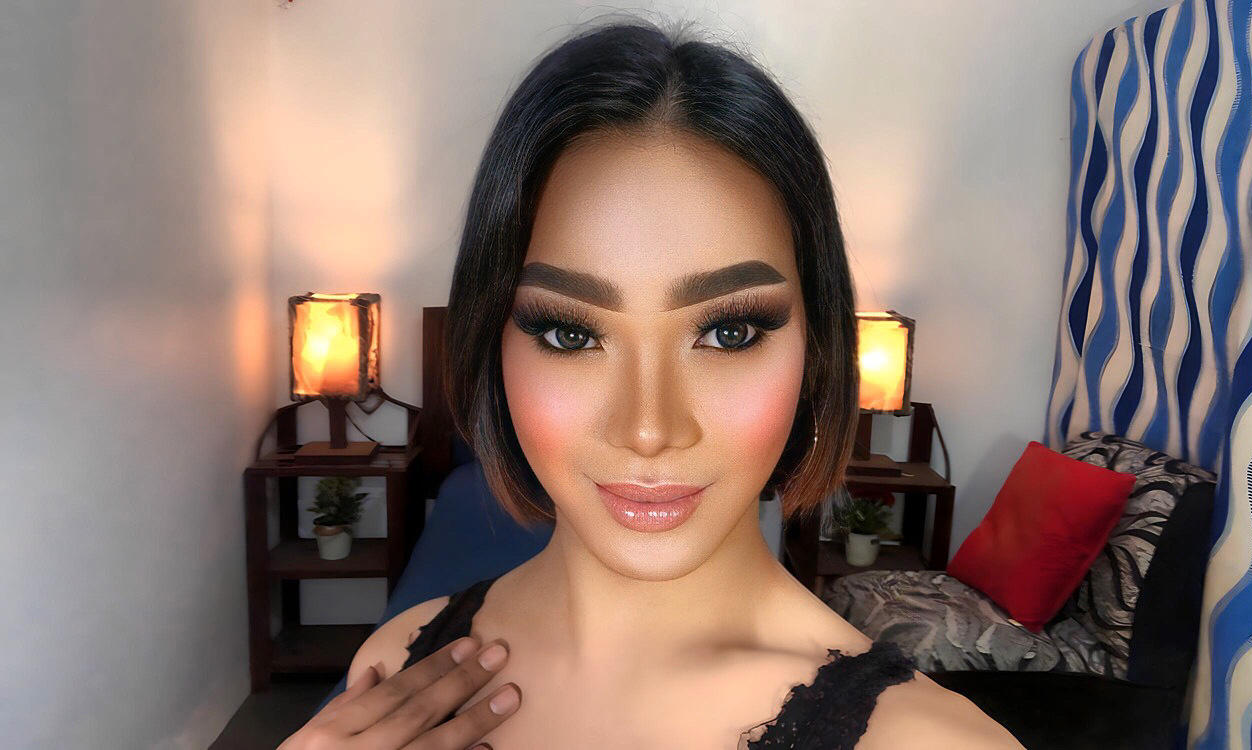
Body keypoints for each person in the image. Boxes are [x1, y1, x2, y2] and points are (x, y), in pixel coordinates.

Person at [285, 17, 1024, 750]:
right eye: (570, 334)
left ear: (817, 351)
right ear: (491, 345)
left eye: (729, 332)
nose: (648, 429)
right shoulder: (395, 668)